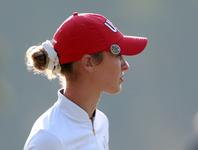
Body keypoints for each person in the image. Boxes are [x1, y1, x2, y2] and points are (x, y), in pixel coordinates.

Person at [23, 12, 147, 150]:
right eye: (117, 55)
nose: (126, 65)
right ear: (89, 63)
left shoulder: (101, 122)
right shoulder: (48, 139)